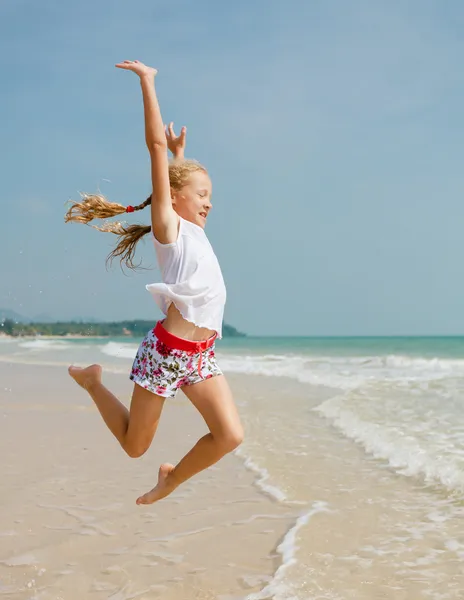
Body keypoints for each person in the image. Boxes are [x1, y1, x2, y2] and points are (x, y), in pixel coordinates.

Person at [64, 60, 244, 505]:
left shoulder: (195, 230)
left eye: (211, 197)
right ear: (176, 196)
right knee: (134, 446)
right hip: (166, 353)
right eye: (202, 196)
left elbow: (181, 182)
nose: (209, 204)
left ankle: (170, 480)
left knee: (230, 436)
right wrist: (148, 82)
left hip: (201, 355)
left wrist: (183, 157)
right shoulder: (169, 228)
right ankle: (92, 382)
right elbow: (154, 151)